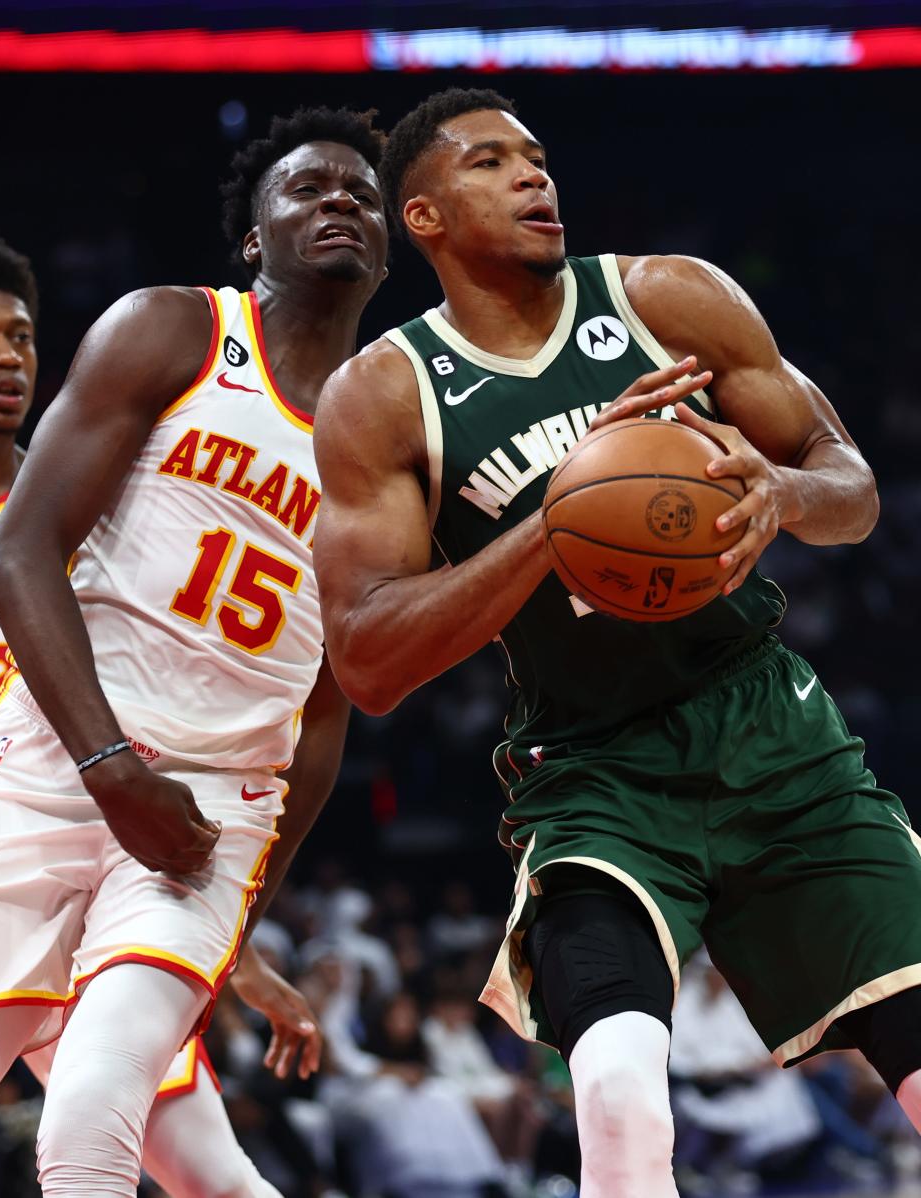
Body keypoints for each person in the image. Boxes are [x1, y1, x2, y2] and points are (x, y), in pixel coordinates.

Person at [311, 87, 921, 1198]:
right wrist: (553, 517)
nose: (534, 176)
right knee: (621, 1096)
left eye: (537, 157)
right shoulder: (385, 395)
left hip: (775, 735)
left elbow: (855, 488)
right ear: (425, 216)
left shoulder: (668, 298)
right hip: (595, 769)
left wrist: (781, 492)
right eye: (492, 162)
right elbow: (367, 659)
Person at [0, 104, 387, 1197]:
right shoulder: (174, 331)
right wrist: (114, 773)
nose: (342, 201)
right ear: (254, 239)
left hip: (210, 814)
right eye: (310, 188)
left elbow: (330, 710)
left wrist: (245, 911)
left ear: (388, 248)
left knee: (94, 1123)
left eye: (364, 195)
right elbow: (19, 555)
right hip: (57, 760)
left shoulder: (395, 441)